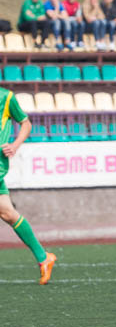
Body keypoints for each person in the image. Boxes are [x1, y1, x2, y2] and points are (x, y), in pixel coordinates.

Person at [0, 86, 57, 285]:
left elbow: (25, 123)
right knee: (7, 213)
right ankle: (44, 257)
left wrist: (14, 145)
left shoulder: (6, 97)